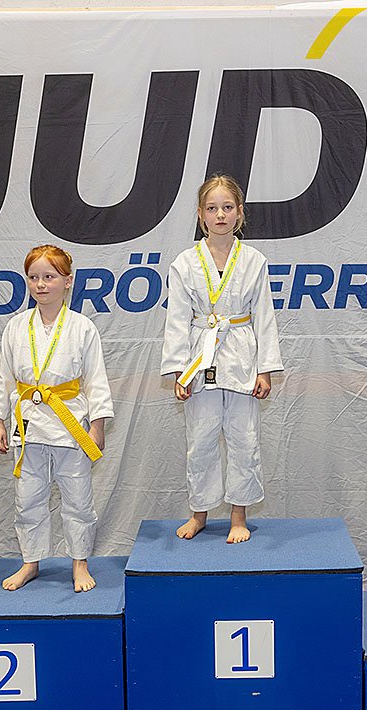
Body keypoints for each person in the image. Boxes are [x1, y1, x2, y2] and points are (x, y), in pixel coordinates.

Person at [0, 245, 113, 593]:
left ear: (68, 281)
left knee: (78, 498)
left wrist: (98, 424)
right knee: (28, 498)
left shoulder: (83, 327)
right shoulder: (16, 327)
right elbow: (3, 377)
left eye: (49, 277)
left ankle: (80, 562)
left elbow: (96, 379)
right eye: (33, 277)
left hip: (70, 424)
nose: (41, 284)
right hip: (28, 424)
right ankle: (31, 561)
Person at [160, 175, 283, 544]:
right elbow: (177, 319)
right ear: (200, 214)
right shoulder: (184, 263)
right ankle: (199, 513)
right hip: (200, 357)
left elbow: (264, 316)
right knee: (200, 440)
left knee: (244, 439)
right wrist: (179, 372)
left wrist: (265, 370)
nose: (220, 215)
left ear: (239, 213)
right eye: (212, 208)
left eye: (227, 207)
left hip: (242, 354)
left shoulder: (254, 261)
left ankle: (238, 516)